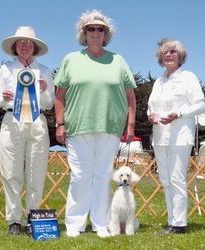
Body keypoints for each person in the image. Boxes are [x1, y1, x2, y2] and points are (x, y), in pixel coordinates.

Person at [54, 9, 137, 238]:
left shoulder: (118, 60)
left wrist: (130, 126)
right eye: (91, 28)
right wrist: (59, 124)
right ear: (84, 33)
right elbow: (59, 95)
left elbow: (130, 96)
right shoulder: (71, 59)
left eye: (101, 29)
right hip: (77, 126)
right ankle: (75, 223)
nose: (96, 32)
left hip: (110, 127)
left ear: (106, 34)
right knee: (80, 176)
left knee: (102, 175)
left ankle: (101, 223)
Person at [0, 26, 55, 236]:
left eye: (29, 42)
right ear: (15, 46)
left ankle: (32, 218)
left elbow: (49, 104)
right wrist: (5, 98)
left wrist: (44, 91)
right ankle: (14, 221)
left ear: (35, 47)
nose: (25, 46)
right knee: (10, 173)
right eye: (21, 42)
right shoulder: (6, 69)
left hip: (37, 122)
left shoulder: (45, 71)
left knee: (36, 173)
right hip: (12, 120)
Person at [147, 38, 205, 235]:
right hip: (160, 136)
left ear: (180, 56)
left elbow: (200, 104)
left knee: (176, 178)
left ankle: (179, 224)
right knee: (165, 180)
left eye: (173, 51)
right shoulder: (159, 81)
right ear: (160, 58)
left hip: (180, 136)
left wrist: (178, 114)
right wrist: (151, 115)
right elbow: (151, 106)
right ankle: (171, 221)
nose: (169, 55)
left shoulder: (189, 78)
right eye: (165, 52)